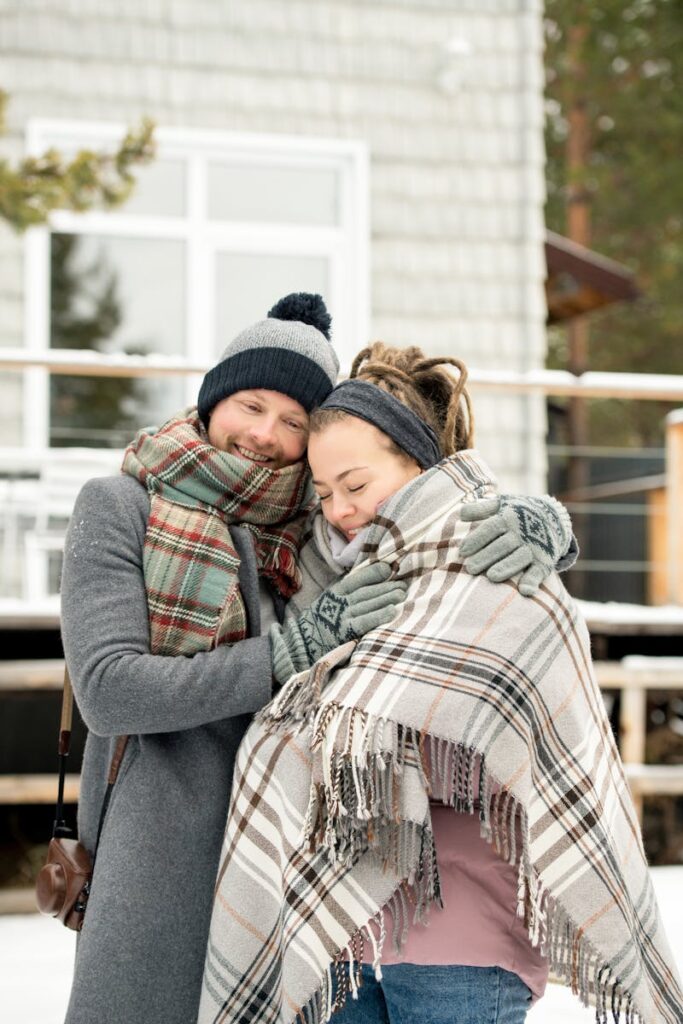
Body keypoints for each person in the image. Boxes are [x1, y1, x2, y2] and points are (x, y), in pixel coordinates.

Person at [198, 345, 683, 1024]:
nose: (338, 509)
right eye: (324, 491)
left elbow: (521, 747)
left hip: (461, 931)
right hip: (332, 935)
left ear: (418, 465)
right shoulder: (315, 573)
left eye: (356, 485)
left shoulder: (495, 562)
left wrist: (359, 735)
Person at [59, 294, 407, 1024]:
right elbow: (109, 691)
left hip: (290, 852)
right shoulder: (122, 506)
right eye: (250, 405)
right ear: (214, 399)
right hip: (158, 854)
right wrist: (289, 652)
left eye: (294, 423)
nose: (264, 436)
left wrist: (537, 527)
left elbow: (438, 513)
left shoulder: (321, 522)